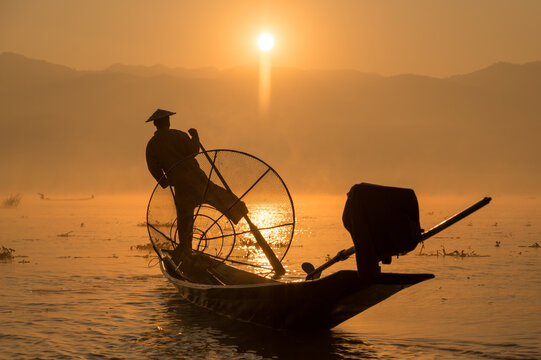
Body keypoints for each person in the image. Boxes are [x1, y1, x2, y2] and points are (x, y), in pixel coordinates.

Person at [145, 109, 248, 262]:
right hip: (196, 178)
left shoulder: (152, 145)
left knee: (185, 218)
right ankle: (240, 210)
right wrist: (195, 136)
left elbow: (153, 167)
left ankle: (185, 249)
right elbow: (193, 151)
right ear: (168, 122)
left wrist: (164, 181)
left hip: (180, 185)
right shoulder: (179, 135)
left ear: (155, 124)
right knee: (217, 196)